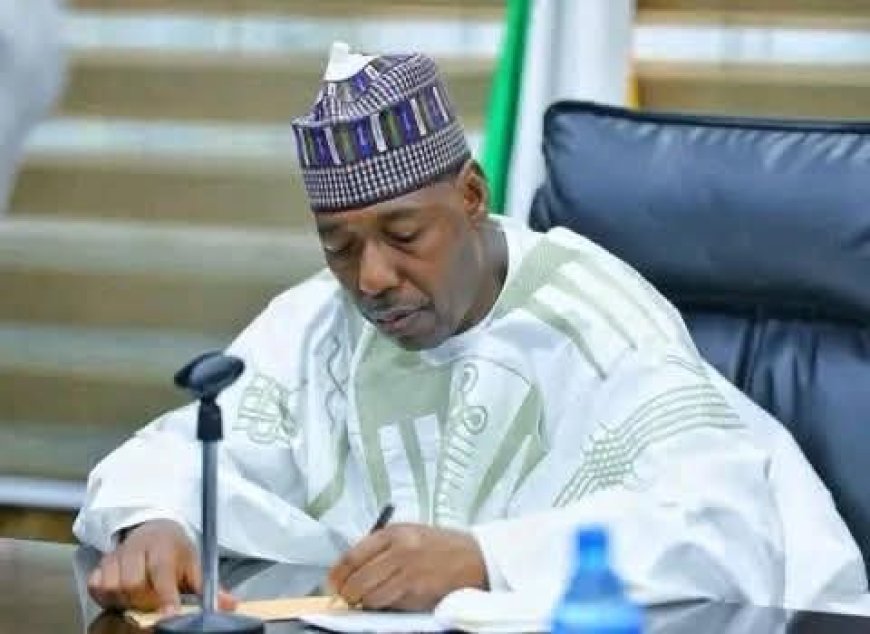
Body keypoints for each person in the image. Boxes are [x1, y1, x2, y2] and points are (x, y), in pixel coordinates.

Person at [75, 42, 867, 616]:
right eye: (339, 246)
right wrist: (156, 522)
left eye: (403, 235)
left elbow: (725, 528)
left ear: (472, 197)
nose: (370, 278)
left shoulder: (593, 315)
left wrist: (485, 559)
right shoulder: (320, 317)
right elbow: (179, 448)